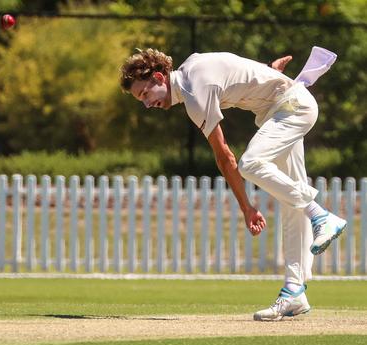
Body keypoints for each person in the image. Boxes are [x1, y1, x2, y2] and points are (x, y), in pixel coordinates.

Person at [119, 48, 347, 321]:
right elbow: (234, 67)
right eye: (140, 100)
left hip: (292, 108)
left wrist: (246, 207)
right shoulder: (192, 63)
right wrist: (266, 70)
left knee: (251, 163)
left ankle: (320, 215)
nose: (147, 104)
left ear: (159, 77)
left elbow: (225, 157)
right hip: (283, 109)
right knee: (290, 201)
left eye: (145, 94)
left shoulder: (194, 95)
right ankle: (294, 291)